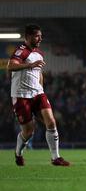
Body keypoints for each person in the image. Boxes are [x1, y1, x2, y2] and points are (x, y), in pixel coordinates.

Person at [7, 24, 70, 166]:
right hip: (21, 95)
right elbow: (11, 66)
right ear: (28, 37)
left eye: (41, 36)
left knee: (52, 122)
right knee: (29, 132)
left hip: (37, 93)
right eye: (37, 36)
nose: (40, 38)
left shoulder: (39, 53)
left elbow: (38, 72)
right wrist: (30, 65)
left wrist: (41, 87)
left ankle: (56, 158)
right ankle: (18, 153)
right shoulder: (21, 51)